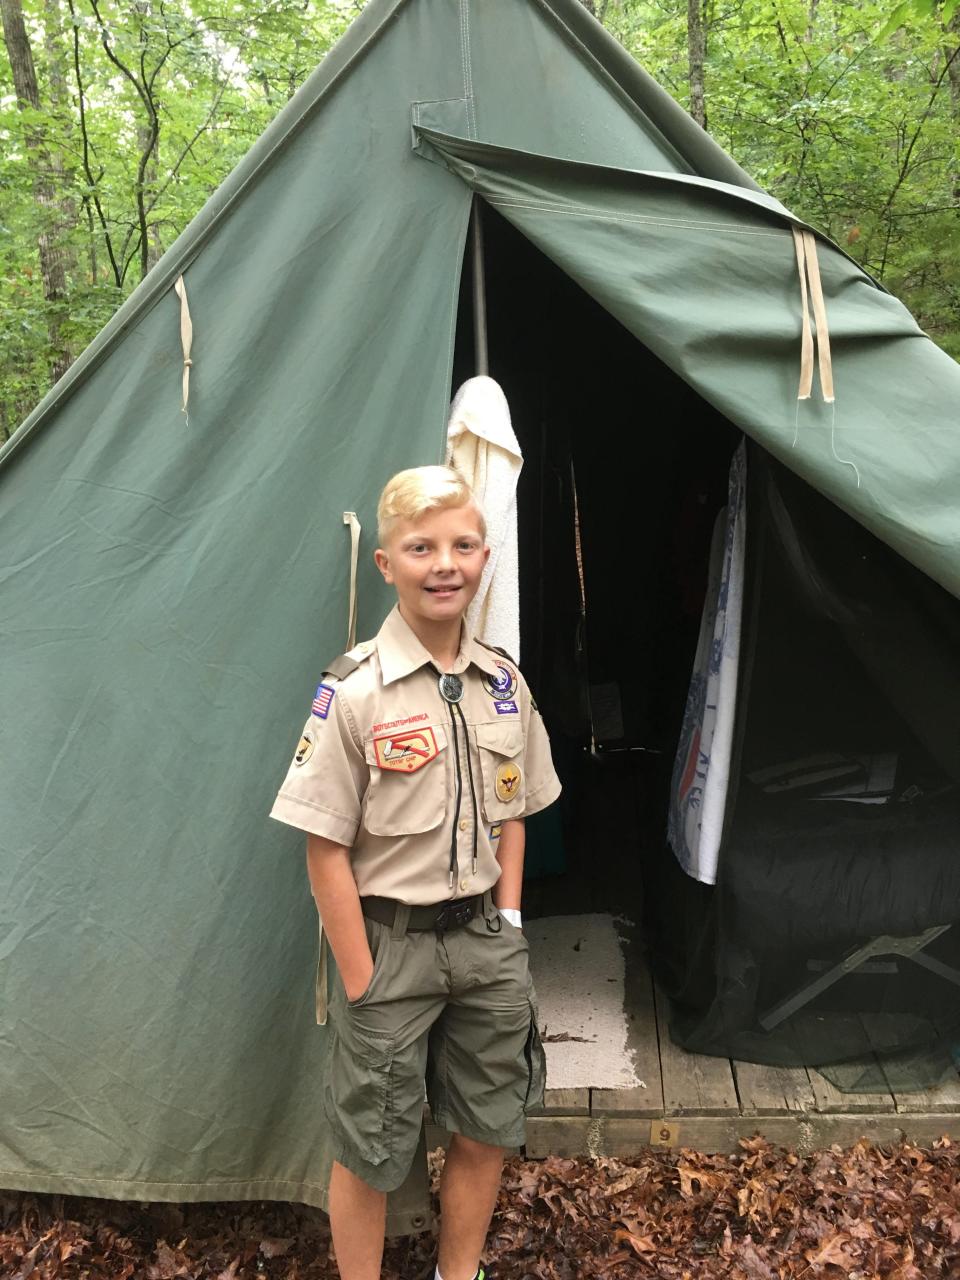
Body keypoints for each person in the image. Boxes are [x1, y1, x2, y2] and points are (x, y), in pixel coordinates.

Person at [269, 465, 562, 1280]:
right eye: (422, 547)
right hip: (389, 948)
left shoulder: (505, 685)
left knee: (485, 1127)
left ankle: (455, 1275)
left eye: (463, 545)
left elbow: (515, 815)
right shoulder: (355, 691)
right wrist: (359, 973)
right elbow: (323, 843)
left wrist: (506, 922)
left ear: (483, 556)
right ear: (386, 563)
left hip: (482, 944)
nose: (445, 563)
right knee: (371, 1148)